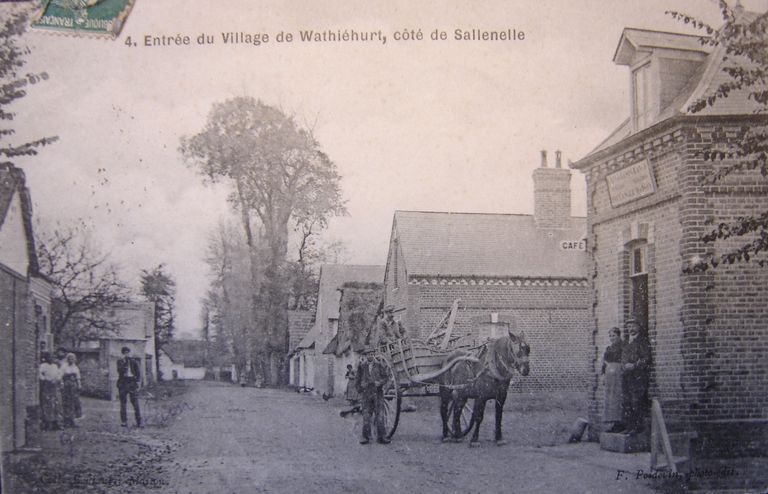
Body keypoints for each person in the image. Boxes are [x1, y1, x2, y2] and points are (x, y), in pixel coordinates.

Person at [620, 319, 651, 434]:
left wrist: (634, 365)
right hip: (627, 376)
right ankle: (628, 427)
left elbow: (646, 359)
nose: (630, 329)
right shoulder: (626, 342)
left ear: (638, 327)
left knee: (636, 402)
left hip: (638, 377)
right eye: (628, 327)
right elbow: (622, 358)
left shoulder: (643, 341)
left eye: (633, 326)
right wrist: (624, 366)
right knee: (626, 401)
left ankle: (637, 428)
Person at [355, 348, 390, 445]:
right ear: (366, 356)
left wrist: (380, 383)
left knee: (380, 415)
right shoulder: (362, 366)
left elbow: (386, 377)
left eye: (372, 354)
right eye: (369, 354)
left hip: (377, 393)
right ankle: (366, 437)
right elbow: (357, 379)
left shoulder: (379, 365)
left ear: (374, 354)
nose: (371, 355)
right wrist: (360, 388)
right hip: (366, 394)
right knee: (366, 415)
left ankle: (381, 437)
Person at [601, 327, 624, 433]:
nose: (612, 338)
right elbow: (604, 363)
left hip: (618, 376)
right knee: (610, 398)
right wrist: (603, 375)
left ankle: (620, 423)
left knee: (617, 398)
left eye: (614, 336)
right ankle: (612, 422)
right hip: (609, 376)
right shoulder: (608, 349)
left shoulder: (623, 347)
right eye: (610, 336)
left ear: (619, 336)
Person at [117, 346, 142, 428]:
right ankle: (124, 421)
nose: (126, 354)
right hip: (123, 383)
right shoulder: (120, 362)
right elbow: (119, 371)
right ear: (122, 353)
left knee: (135, 403)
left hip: (132, 382)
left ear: (129, 353)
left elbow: (138, 373)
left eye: (127, 352)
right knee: (123, 404)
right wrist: (123, 362)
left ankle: (139, 422)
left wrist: (138, 383)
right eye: (124, 353)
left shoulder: (134, 361)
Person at [39, 352, 62, 430]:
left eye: (53, 357)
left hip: (54, 386)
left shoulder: (55, 366)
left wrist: (57, 379)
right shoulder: (43, 366)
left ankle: (56, 422)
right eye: (49, 357)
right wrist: (45, 379)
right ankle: (47, 423)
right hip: (47, 386)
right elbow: (40, 374)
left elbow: (59, 374)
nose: (51, 359)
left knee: (55, 403)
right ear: (46, 358)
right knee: (47, 403)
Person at [60, 353, 83, 428]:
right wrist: (62, 384)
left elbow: (78, 377)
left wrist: (79, 385)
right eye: (70, 358)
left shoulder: (75, 367)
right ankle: (66, 421)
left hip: (74, 386)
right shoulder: (64, 366)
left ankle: (72, 421)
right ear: (67, 359)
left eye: (73, 359)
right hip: (66, 386)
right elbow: (60, 376)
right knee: (67, 403)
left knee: (74, 403)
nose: (71, 360)